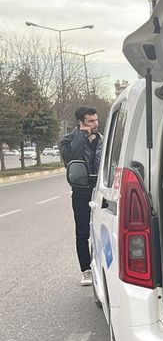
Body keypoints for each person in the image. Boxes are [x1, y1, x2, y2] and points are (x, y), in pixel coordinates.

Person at [59, 106, 102, 286]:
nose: (95, 124)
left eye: (96, 120)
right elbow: (70, 158)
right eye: (91, 121)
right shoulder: (67, 140)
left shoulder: (103, 139)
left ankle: (103, 266)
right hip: (81, 190)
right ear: (81, 123)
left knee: (102, 230)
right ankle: (86, 270)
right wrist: (82, 137)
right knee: (83, 232)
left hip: (101, 189)